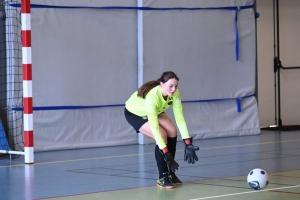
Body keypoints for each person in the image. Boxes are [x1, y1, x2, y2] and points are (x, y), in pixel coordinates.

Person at [124, 71, 199, 189]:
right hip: (135, 114)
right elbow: (154, 128)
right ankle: (162, 178)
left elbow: (180, 119)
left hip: (154, 111)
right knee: (162, 135)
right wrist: (165, 151)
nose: (174, 89)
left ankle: (170, 172)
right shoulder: (152, 96)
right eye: (171, 86)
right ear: (161, 84)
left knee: (172, 131)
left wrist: (187, 142)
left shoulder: (175, 94)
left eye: (176, 86)